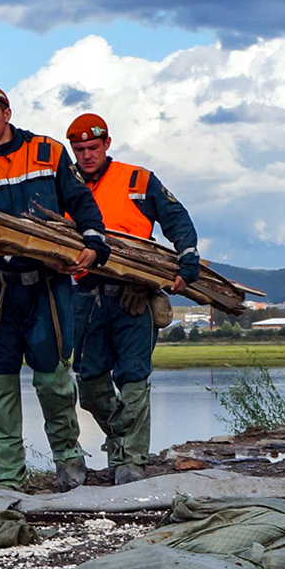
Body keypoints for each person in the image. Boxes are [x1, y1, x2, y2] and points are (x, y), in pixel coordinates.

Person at [0, 87, 111, 491]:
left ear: (7, 113)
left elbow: (81, 204)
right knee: (0, 383)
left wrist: (94, 244)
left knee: (53, 380)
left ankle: (70, 466)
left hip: (47, 286)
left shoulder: (48, 151)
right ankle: (7, 481)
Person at [64, 113, 198, 484]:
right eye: (79, 149)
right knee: (89, 383)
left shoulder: (138, 180)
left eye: (93, 147)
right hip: (87, 294)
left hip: (134, 294)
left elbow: (177, 219)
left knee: (134, 377)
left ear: (107, 143)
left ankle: (131, 460)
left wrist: (187, 259)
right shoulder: (66, 183)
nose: (87, 155)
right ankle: (122, 436)